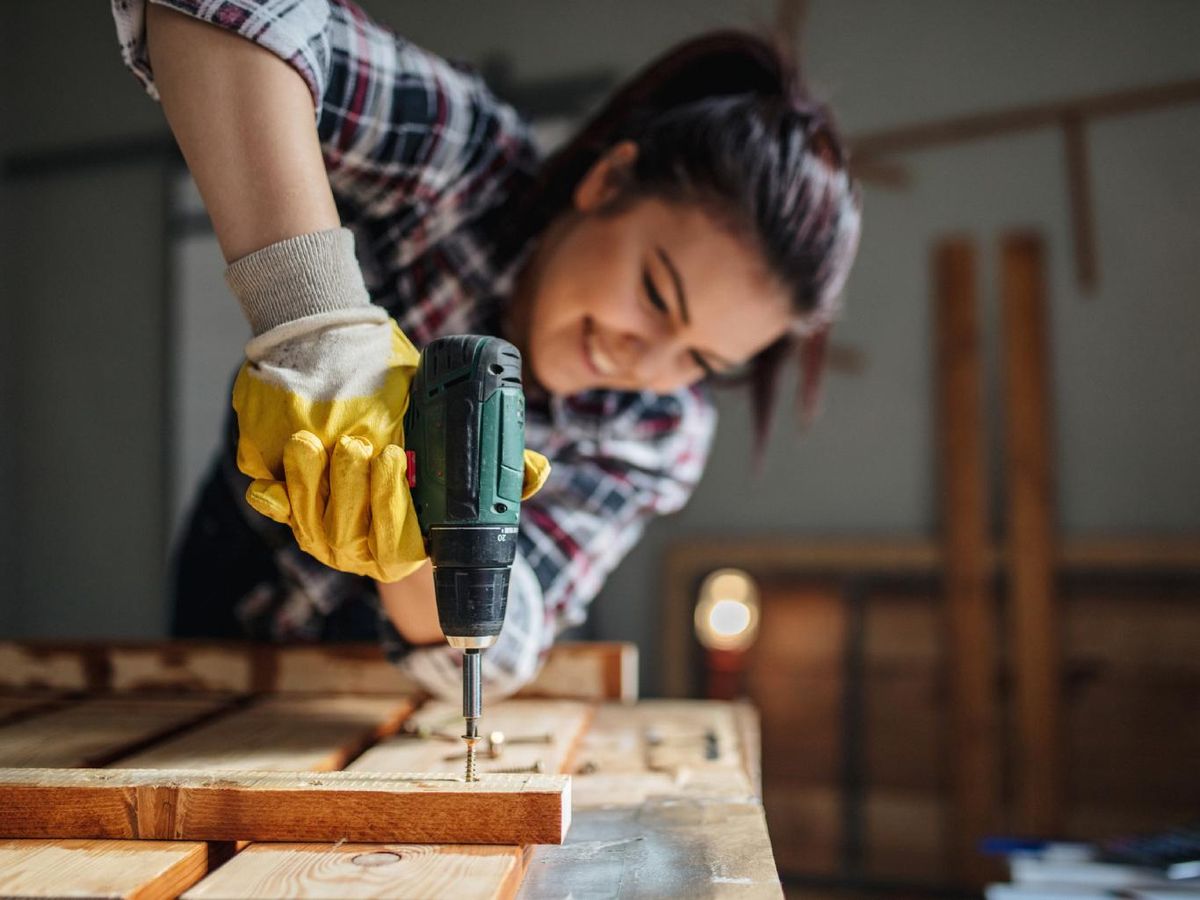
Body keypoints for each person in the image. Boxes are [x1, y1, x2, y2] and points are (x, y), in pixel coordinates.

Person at [110, 0, 861, 700]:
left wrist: (414, 544)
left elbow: (504, 644)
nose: (649, 363)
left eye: (699, 361)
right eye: (657, 296)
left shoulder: (661, 431)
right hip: (231, 580)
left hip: (376, 686)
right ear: (608, 181)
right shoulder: (461, 163)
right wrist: (316, 321)